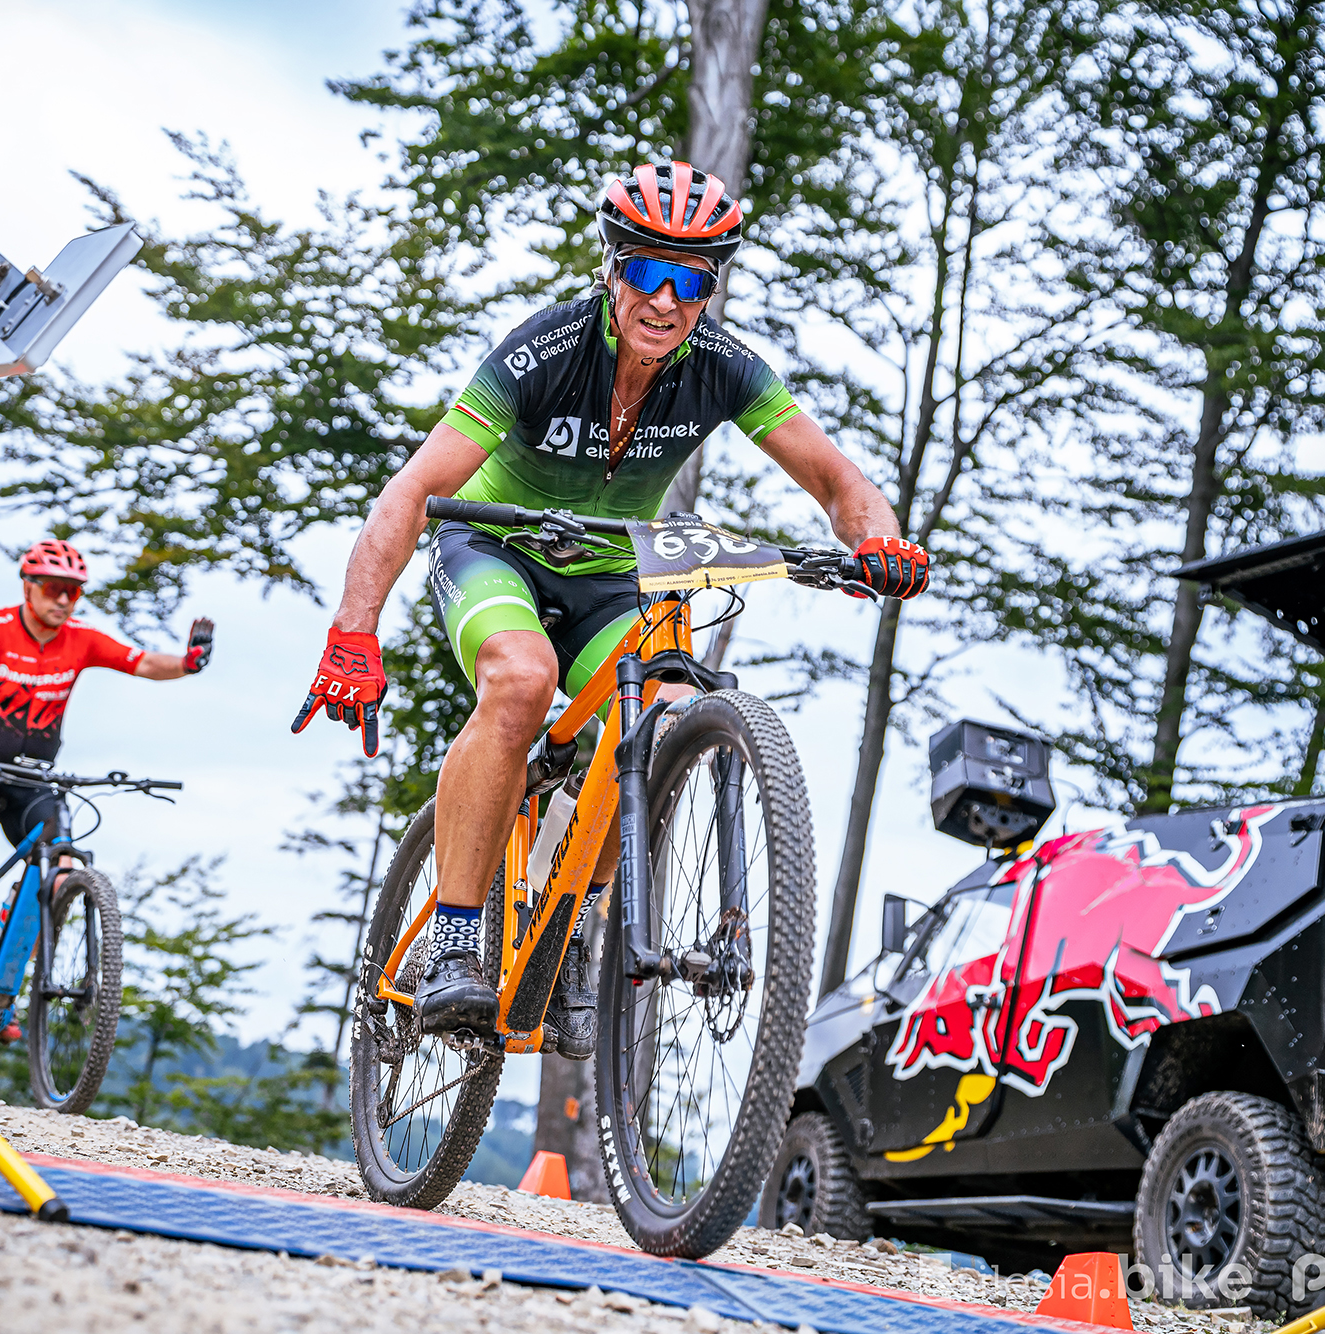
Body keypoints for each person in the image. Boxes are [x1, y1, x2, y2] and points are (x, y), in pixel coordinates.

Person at [292, 162, 928, 1058]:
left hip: (608, 576)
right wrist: (353, 632)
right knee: (522, 682)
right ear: (611, 268)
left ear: (711, 289)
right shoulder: (544, 350)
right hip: (497, 549)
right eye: (646, 272)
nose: (664, 300)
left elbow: (839, 482)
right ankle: (458, 939)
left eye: (690, 281)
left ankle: (572, 931)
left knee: (662, 719)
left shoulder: (726, 369)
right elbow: (411, 490)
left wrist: (880, 542)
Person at [0, 539, 213, 1037]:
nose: (63, 600)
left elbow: (143, 663)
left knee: (61, 871)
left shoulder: (80, 639)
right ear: (29, 587)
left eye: (74, 592)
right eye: (54, 589)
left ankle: (3, 990)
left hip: (35, 774)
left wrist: (187, 664)